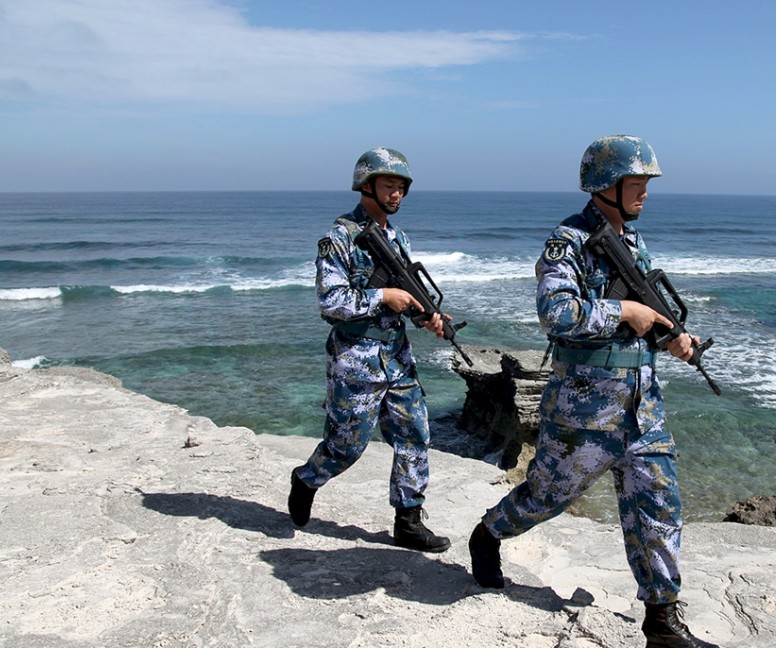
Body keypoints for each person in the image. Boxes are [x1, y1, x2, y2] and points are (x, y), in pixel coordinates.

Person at [468, 136, 715, 647]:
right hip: (585, 406)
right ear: (607, 185)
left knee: (658, 507)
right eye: (637, 183)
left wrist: (673, 339)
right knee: (547, 496)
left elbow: (648, 313)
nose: (646, 192)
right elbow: (554, 313)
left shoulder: (632, 241)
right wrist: (624, 312)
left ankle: (662, 620)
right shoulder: (569, 240)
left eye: (647, 183)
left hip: (642, 406)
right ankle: (488, 534)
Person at [287, 146, 451, 553]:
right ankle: (306, 479)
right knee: (347, 445)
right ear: (367, 185)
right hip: (356, 358)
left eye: (401, 188)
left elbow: (407, 294)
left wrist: (428, 318)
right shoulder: (339, 237)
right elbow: (330, 302)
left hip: (397, 356)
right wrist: (382, 297)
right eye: (389, 186)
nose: (396, 195)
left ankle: (408, 520)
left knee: (415, 434)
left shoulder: (397, 237)